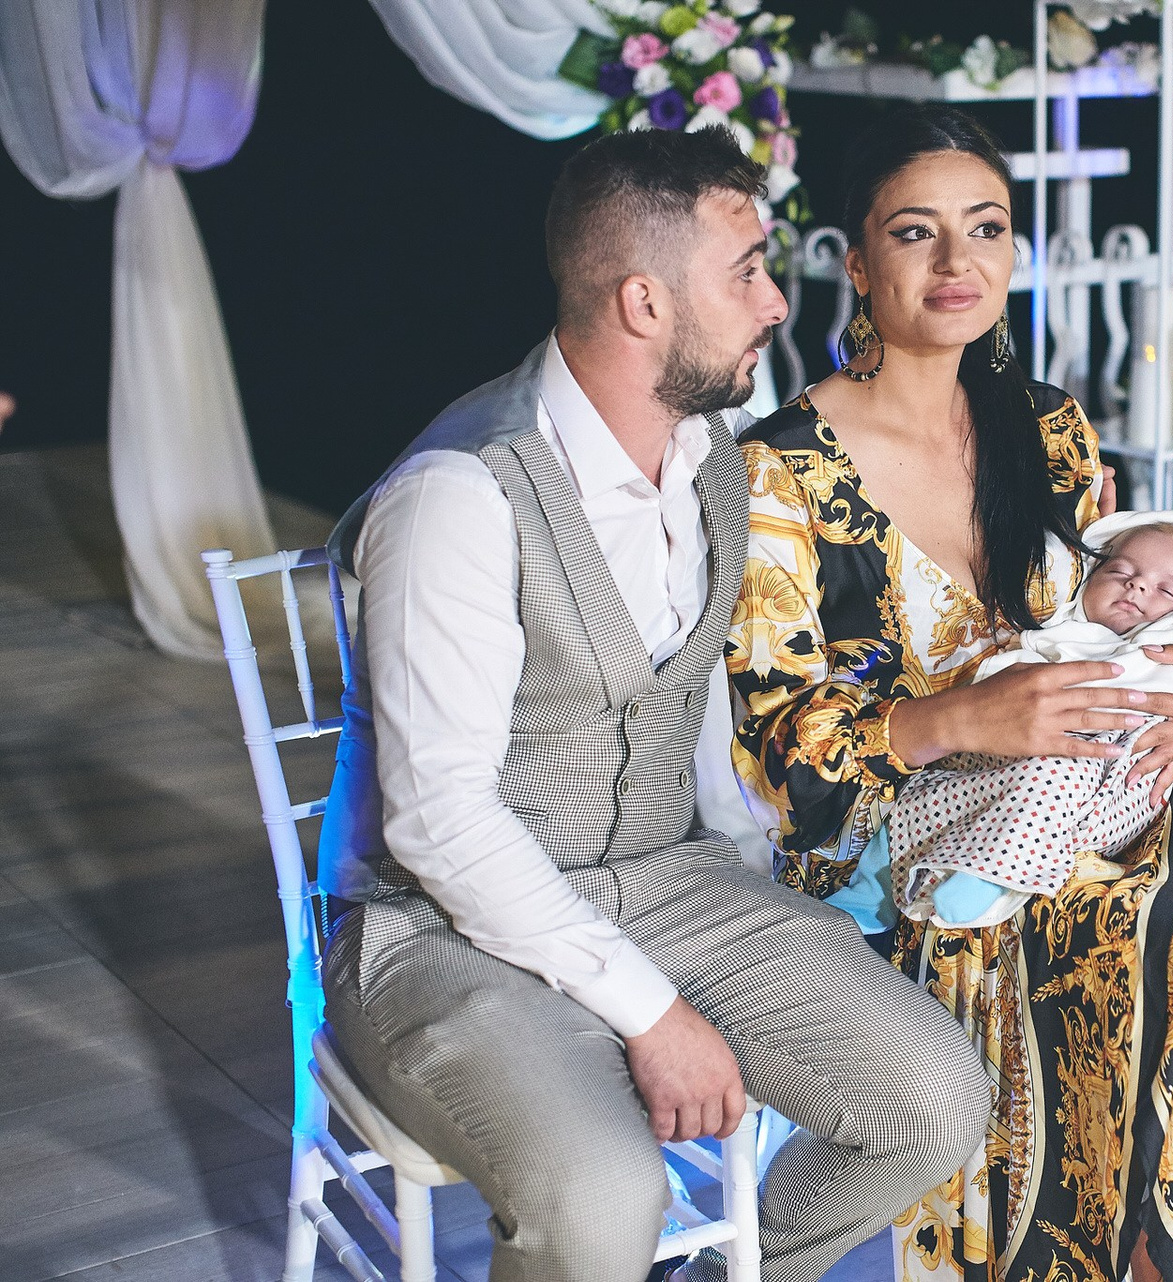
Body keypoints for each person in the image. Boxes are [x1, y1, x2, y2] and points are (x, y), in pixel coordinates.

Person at [314, 127, 992, 1282]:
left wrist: (776, 899)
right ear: (643, 302)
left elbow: (704, 721)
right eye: (746, 272)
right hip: (434, 928)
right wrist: (655, 1015)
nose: (776, 302)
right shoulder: (461, 496)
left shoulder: (712, 452)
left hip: (669, 881)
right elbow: (440, 824)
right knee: (605, 1190)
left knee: (933, 1100)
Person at [728, 105, 1173, 1282]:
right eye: (915, 232)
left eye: (986, 227)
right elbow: (778, 760)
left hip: (1092, 790)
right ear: (855, 264)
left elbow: (1148, 614)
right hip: (900, 843)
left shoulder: (1048, 427)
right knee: (1158, 945)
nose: (956, 262)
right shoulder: (778, 471)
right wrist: (965, 719)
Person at [891, 511, 1173, 928]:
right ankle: (882, 871)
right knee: (942, 779)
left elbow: (1168, 722)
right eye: (1120, 571)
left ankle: (988, 876)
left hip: (1106, 778)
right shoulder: (1058, 630)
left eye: (1166, 590)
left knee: (1056, 775)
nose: (1137, 585)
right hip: (1000, 744)